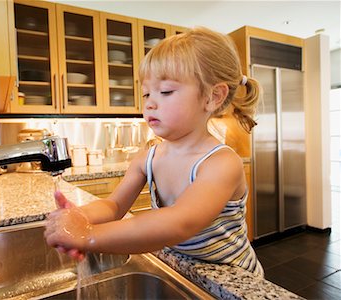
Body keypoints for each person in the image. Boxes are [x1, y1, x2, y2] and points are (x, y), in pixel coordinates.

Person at [45, 26, 264, 276]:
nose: (149, 102)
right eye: (146, 93)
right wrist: (79, 217)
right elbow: (113, 205)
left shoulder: (221, 163)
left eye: (166, 91)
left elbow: (179, 222)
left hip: (230, 280)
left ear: (213, 97)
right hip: (182, 269)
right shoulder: (148, 156)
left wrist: (88, 236)